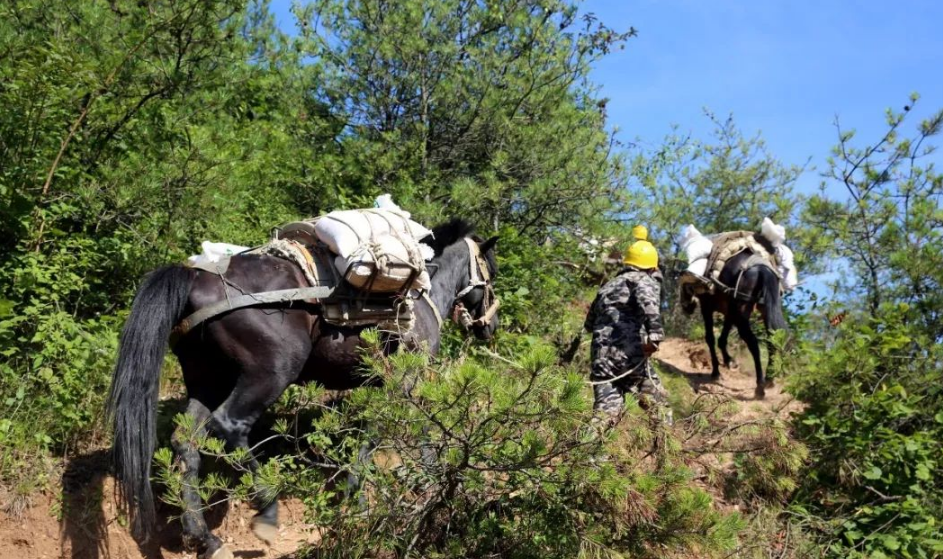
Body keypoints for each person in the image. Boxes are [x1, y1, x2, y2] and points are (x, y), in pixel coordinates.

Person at [583, 225, 667, 423]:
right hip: (630, 356)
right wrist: (655, 335)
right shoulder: (644, 280)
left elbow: (589, 324)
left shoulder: (608, 286)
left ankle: (590, 452)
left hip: (601, 360)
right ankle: (668, 447)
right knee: (658, 405)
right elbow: (649, 306)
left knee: (605, 413)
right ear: (652, 267)